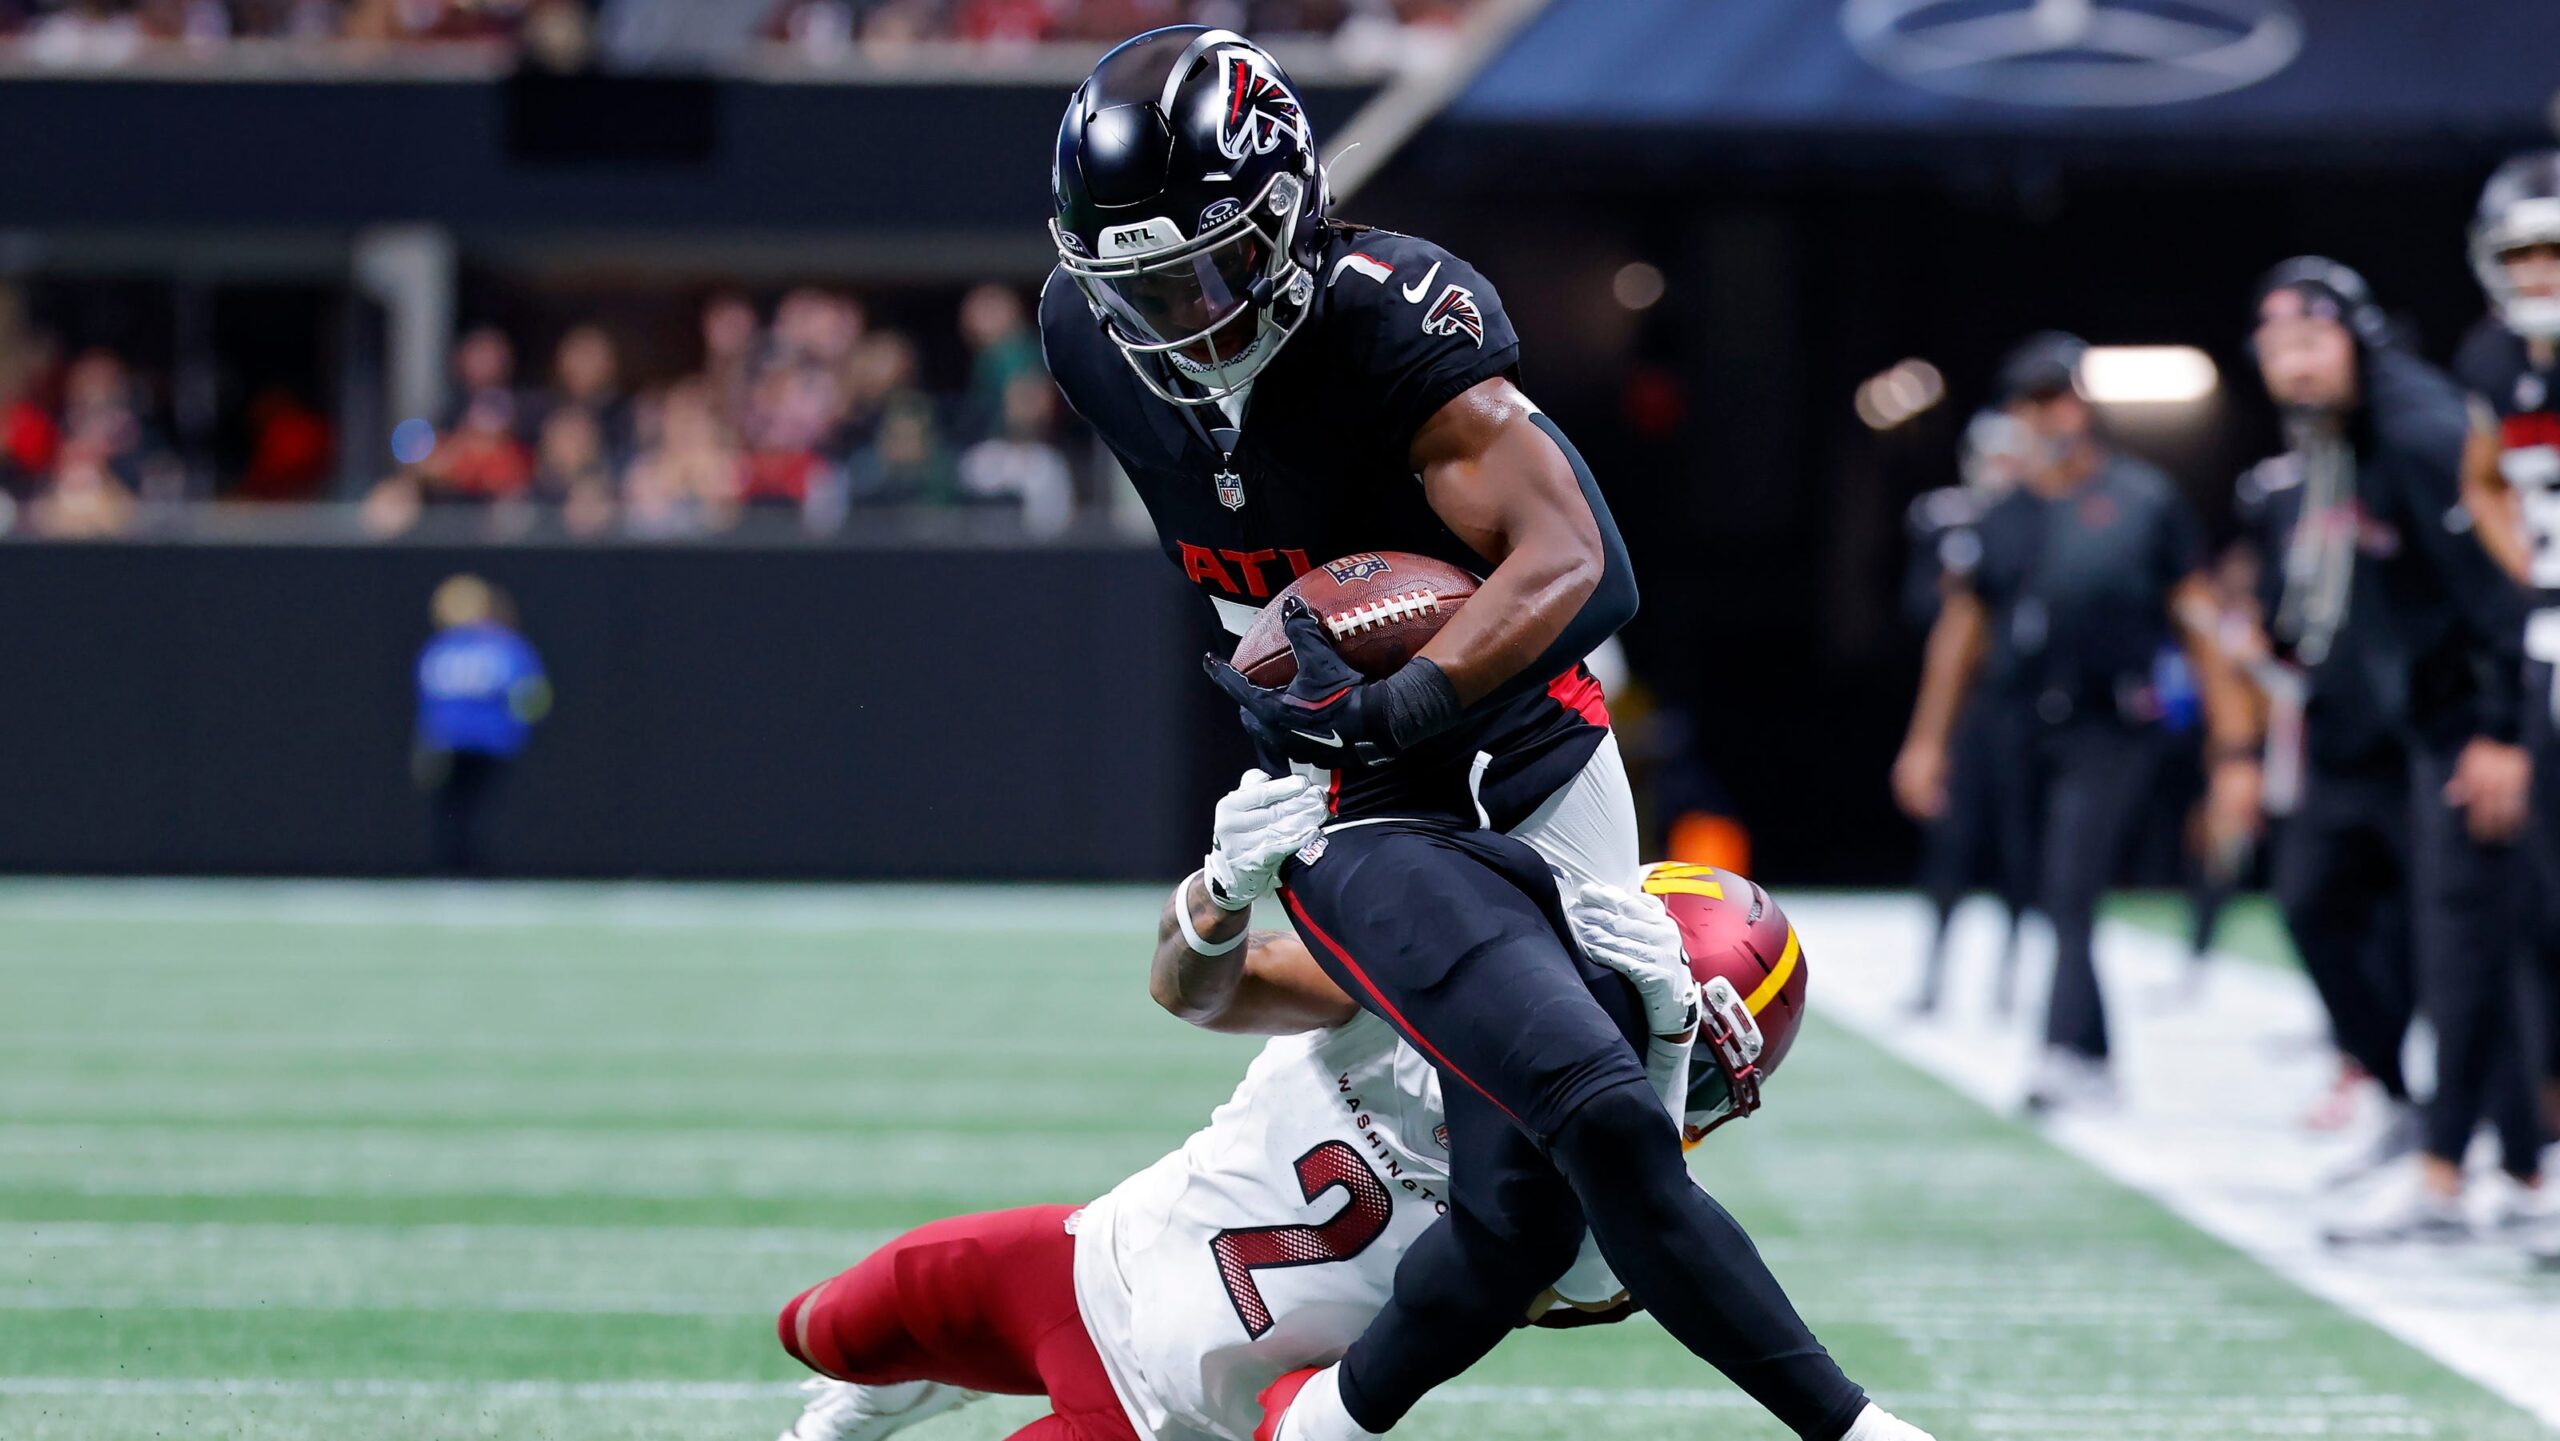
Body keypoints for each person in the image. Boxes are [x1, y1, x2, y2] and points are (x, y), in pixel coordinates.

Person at [1042, 28, 1916, 1441]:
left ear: (1289, 212)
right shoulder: (1090, 340)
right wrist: (1329, 738)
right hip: (1350, 787)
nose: (1180, 319)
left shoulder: (1393, 317)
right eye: (1139, 288)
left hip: (1527, 753)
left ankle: (1325, 1425)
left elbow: (1583, 562)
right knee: (1586, 1126)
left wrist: (1410, 691)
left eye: (1207, 271)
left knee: (1534, 1210)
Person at [768, 771, 1837, 1441]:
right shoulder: (1437, 980)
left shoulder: (1626, 1227)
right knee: (819, 1326)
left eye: (1678, 1047)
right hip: (1087, 1264)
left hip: (1185, 1424)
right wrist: (1218, 893)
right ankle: (914, 1386)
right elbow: (1196, 990)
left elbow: (1600, 1264)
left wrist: (1665, 1047)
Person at [2231, 258, 2548, 1244]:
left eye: (2311, 340)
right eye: (2276, 345)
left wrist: (2500, 729)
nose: (2294, 364)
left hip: (2484, 715)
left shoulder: (2414, 427)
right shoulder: (2346, 430)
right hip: (2430, 718)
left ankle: (2450, 1171)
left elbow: (2508, 578)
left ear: (2355, 339)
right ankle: (2509, 1163)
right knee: (2474, 939)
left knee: (2473, 943)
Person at [1891, 333, 2259, 1111]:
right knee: (2044, 887)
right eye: (2030, 401)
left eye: (2055, 397)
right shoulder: (2005, 514)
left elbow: (2198, 622)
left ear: (2082, 403)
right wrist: (1927, 740)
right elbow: (1960, 633)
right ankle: (2092, 1049)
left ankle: (2060, 1049)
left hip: (2112, 723)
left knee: (2070, 882)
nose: (2045, 415)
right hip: (2024, 724)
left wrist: (2234, 748)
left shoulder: (2143, 499)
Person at [2453, 151, 2560, 1196]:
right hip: (2539, 651)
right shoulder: (2490, 357)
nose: (2537, 270)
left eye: (2554, 249)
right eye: (2520, 251)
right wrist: (2525, 562)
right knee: (2532, 905)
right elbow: (2483, 475)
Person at [1901, 409, 2036, 1016]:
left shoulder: (2039, 516)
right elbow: (1925, 607)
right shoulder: (1950, 518)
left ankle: (2011, 973)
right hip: (1963, 704)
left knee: (2018, 841)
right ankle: (1934, 973)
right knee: (1949, 839)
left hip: (2022, 701)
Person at [412, 574, 550, 876]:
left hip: (449, 739)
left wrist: (428, 740)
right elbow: (532, 697)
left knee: (454, 809)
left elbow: (428, 700)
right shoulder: (506, 646)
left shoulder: (440, 647)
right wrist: (515, 727)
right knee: (478, 809)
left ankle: (455, 868)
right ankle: (474, 868)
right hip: (491, 740)